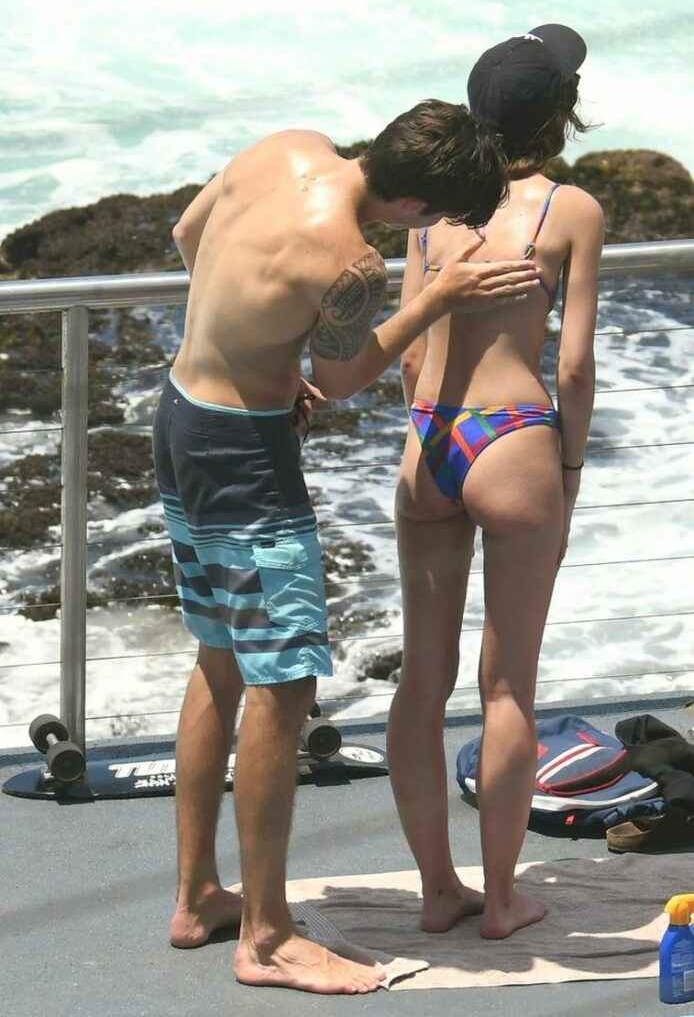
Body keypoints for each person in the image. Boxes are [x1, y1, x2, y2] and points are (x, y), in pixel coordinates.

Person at [151, 99, 543, 995]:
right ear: (415, 208)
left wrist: (249, 339)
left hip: (179, 412)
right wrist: (436, 297)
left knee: (220, 653)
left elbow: (187, 233)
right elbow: (345, 375)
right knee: (284, 683)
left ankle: (197, 895)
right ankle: (266, 937)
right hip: (243, 456)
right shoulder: (350, 261)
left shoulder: (287, 145)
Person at [389, 26, 604, 940]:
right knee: (508, 686)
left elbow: (408, 349)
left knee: (422, 680)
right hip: (513, 440)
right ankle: (503, 899)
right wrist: (570, 467)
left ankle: (439, 890)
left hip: (430, 440)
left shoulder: (433, 207)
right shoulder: (569, 209)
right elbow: (576, 366)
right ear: (559, 113)